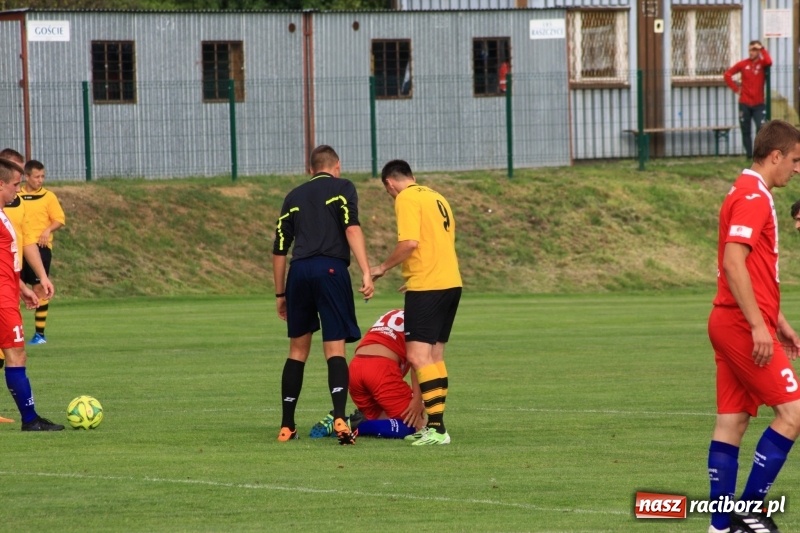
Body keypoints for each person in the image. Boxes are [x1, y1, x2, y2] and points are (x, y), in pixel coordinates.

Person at [706, 120, 800, 533]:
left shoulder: (747, 190)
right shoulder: (753, 197)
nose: (796, 170)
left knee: (733, 422)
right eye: (795, 160)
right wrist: (759, 326)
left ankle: (720, 526)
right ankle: (748, 512)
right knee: (794, 414)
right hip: (743, 326)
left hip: (734, 320)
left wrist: (776, 322)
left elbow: (754, 270)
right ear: (775, 155)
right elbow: (732, 261)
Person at [272, 144, 374, 445]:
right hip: (330, 270)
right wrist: (367, 271)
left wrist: (280, 293)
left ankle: (287, 426)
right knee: (334, 349)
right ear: (337, 165)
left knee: (297, 351)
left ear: (310, 169)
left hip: (299, 273)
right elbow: (351, 228)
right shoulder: (343, 188)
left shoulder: (292, 197)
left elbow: (279, 249)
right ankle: (341, 417)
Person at [370, 160, 462, 446]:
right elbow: (438, 243)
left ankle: (437, 427)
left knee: (418, 356)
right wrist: (414, 275)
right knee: (434, 356)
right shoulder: (437, 197)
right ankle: (436, 427)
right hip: (450, 283)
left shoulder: (407, 197)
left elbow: (409, 243)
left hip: (428, 287)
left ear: (390, 184)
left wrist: (382, 268)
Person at [0, 158, 63, 431]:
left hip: (9, 291)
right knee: (16, 355)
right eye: (15, 185)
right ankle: (30, 420)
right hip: (2, 298)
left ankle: (31, 419)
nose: (18, 190)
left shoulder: (4, 213)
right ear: (0, 184)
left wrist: (23, 287)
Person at [310, 308, 426, 440]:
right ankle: (353, 424)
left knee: (383, 417)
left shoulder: (395, 312)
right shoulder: (422, 319)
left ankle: (339, 420)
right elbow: (418, 360)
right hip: (380, 369)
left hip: (355, 368)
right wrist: (417, 399)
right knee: (417, 425)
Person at [18, 160, 65, 345]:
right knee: (14, 288)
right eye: (37, 176)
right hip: (19, 248)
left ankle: (39, 334)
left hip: (41, 248)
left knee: (39, 289)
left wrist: (47, 230)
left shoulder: (48, 197)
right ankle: (15, 332)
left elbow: (59, 219)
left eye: (43, 176)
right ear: (26, 176)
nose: (40, 180)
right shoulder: (16, 196)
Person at [724, 41, 773, 160]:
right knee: (745, 129)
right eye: (750, 50)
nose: (752, 52)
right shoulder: (743, 64)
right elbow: (727, 74)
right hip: (744, 103)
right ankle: (749, 155)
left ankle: (759, 154)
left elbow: (769, 62)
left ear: (759, 51)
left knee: (761, 128)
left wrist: (762, 49)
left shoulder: (762, 64)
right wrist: (736, 89)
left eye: (754, 50)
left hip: (759, 103)